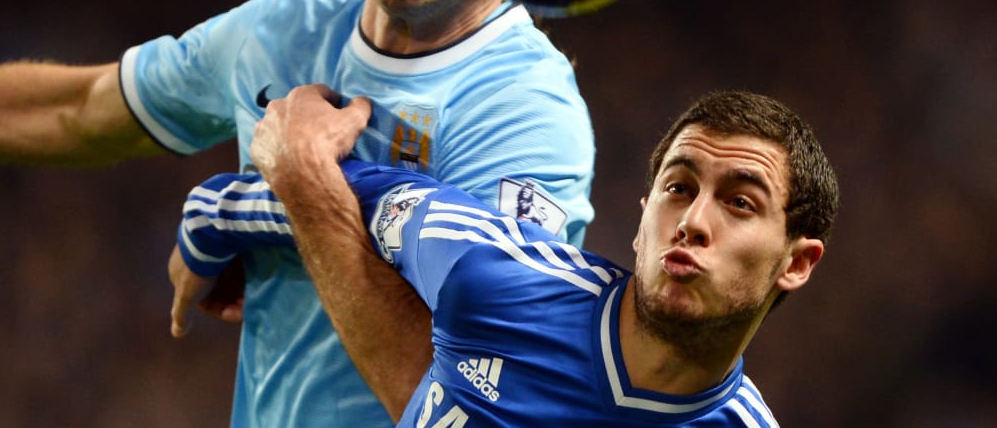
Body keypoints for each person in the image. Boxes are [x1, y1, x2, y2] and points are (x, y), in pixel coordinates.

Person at [0, 0, 596, 425]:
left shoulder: (525, 108)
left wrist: (300, 183)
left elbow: (476, 404)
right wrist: (236, 206)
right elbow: (79, 110)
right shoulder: (287, 27)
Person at [178, 86, 839, 426]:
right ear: (642, 218)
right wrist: (207, 223)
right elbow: (323, 183)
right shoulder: (497, 276)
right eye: (678, 188)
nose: (693, 220)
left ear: (798, 261)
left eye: (740, 203)